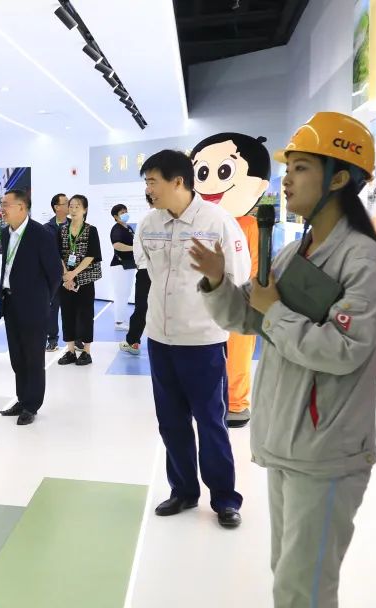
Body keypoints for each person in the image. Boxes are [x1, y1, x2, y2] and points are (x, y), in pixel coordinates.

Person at [195, 112, 376, 607]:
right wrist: (218, 281)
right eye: (289, 168)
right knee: (287, 573)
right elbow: (249, 317)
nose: (286, 179)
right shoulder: (293, 253)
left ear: (339, 178)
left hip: (326, 454)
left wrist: (276, 311)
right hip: (288, 443)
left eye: (301, 168)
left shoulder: (362, 260)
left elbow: (344, 350)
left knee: (303, 588)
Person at [135, 149, 249, 529]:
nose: (149, 189)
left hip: (202, 340)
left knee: (210, 421)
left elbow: (238, 275)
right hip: (160, 337)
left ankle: (225, 499)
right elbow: (147, 270)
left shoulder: (217, 222)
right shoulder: (148, 223)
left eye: (153, 181)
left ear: (178, 181)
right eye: (147, 182)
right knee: (171, 422)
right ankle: (183, 490)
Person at [191, 132, 272, 429]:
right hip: (204, 299)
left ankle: (237, 402)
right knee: (202, 353)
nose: (211, 183)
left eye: (224, 171)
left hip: (240, 298)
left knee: (238, 352)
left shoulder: (249, 224)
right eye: (202, 173)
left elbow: (257, 266)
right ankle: (206, 400)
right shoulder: (198, 223)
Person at [0, 189, 61, 426]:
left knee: (33, 358)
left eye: (6, 204)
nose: (2, 209)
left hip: (33, 306)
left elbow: (55, 273)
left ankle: (32, 405)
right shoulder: (5, 233)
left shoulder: (40, 234)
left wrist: (42, 299)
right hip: (10, 302)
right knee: (17, 357)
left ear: (22, 207)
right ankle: (22, 399)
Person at [56, 194, 102, 366]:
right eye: (71, 206)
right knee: (67, 313)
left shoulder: (91, 230)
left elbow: (92, 255)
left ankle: (86, 352)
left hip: (85, 279)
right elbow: (58, 254)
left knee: (85, 314)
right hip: (66, 280)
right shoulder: (62, 230)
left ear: (85, 209)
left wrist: (73, 273)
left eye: (77, 206)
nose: (73, 209)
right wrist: (66, 275)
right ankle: (70, 351)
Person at [121, 195, 155, 356]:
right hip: (160, 270)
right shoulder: (172, 216)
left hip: (146, 269)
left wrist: (141, 264)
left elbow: (137, 244)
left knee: (142, 306)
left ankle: (133, 341)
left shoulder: (145, 218)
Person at [44, 193, 69, 351]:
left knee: (73, 308)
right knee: (53, 308)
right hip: (54, 276)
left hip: (72, 274)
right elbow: (49, 253)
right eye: (66, 203)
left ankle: (76, 338)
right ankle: (52, 339)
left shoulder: (75, 225)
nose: (69, 205)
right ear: (57, 207)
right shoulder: (47, 228)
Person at [109, 203, 137, 329]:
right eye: (122, 213)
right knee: (120, 294)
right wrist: (134, 248)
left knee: (126, 293)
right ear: (116, 216)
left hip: (129, 265)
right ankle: (119, 322)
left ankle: (122, 319)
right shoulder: (117, 229)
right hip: (119, 265)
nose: (125, 214)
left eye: (126, 211)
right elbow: (117, 245)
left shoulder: (128, 228)